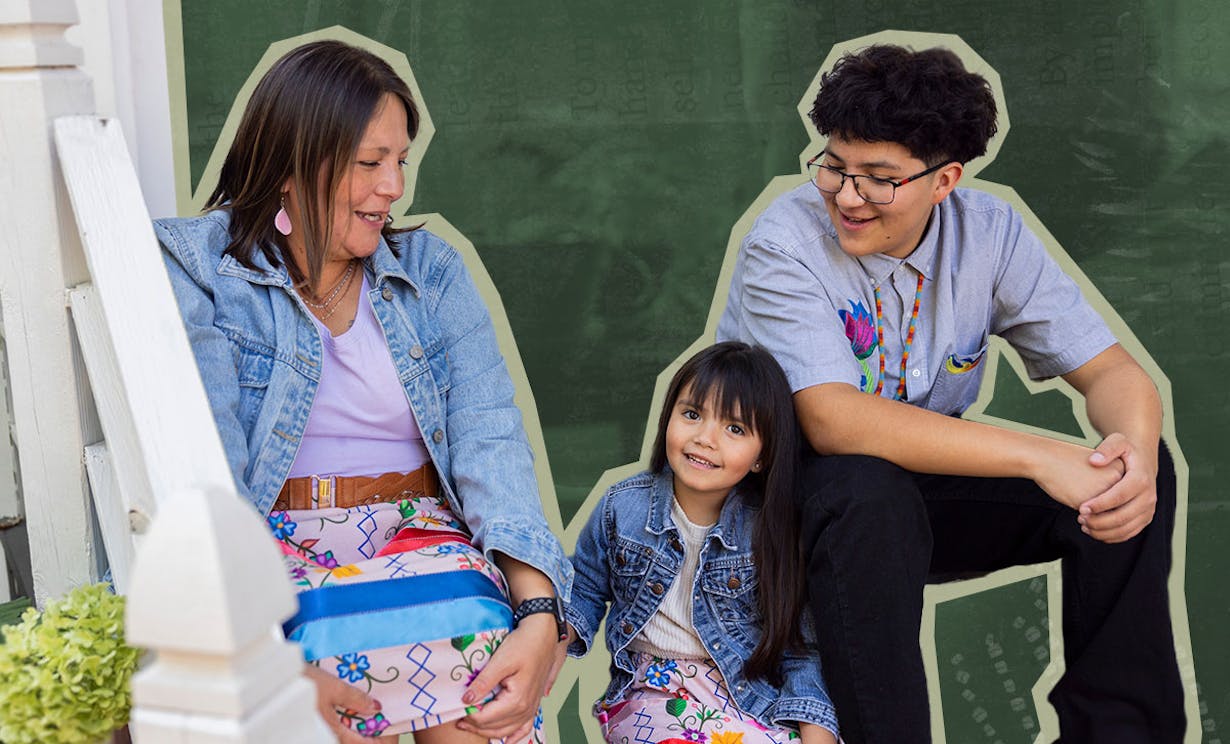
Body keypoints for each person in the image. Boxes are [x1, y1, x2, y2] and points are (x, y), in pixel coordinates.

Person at [717, 44, 1183, 744]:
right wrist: (1034, 456)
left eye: (879, 178)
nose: (847, 195)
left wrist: (1137, 457)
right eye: (835, 166)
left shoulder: (990, 233)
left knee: (1127, 476)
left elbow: (1117, 377)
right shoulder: (782, 242)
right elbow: (832, 422)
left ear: (946, 180)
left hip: (906, 498)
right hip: (779, 503)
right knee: (866, 490)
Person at [156, 39, 571, 743]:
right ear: (291, 163)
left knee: (486, 669)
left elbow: (491, 438)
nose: (394, 187)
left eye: (400, 161)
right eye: (369, 164)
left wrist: (538, 613)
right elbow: (214, 476)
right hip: (278, 556)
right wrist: (263, 653)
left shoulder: (430, 271)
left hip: (421, 541)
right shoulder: (202, 271)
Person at [564, 342, 840, 744]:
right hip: (653, 694)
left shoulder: (771, 531)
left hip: (749, 697)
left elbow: (800, 649)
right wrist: (549, 638)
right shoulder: (622, 506)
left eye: (735, 428)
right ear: (668, 417)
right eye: (692, 414)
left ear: (762, 456)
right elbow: (584, 589)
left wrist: (817, 736)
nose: (705, 438)